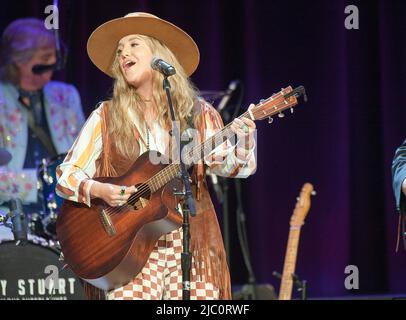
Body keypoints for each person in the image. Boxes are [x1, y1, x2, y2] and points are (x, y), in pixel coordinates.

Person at [56, 12, 256, 300]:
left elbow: (236, 167)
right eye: (120, 50)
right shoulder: (106, 116)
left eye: (133, 44)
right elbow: (66, 175)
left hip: (191, 244)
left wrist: (245, 132)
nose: (124, 52)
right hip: (128, 248)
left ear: (160, 53)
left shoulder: (196, 114)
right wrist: (100, 190)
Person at [0, 18, 85, 240]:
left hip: (67, 213)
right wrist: (42, 184)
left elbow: (85, 156)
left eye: (53, 59)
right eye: (44, 60)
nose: (51, 68)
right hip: (10, 215)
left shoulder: (66, 96)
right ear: (18, 61)